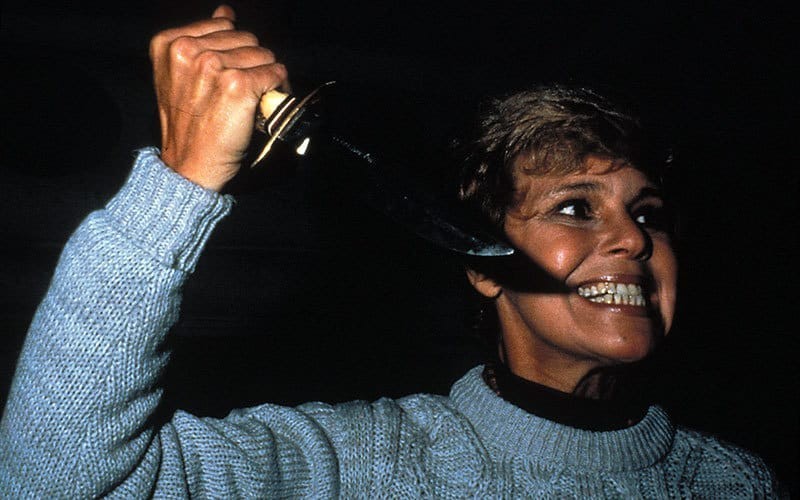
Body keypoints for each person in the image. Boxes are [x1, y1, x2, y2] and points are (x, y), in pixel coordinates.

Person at [0, 5, 786, 498]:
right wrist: (178, 186)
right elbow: (54, 482)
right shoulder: (354, 464)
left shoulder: (737, 481)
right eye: (575, 207)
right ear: (482, 268)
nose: (634, 240)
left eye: (648, 214)